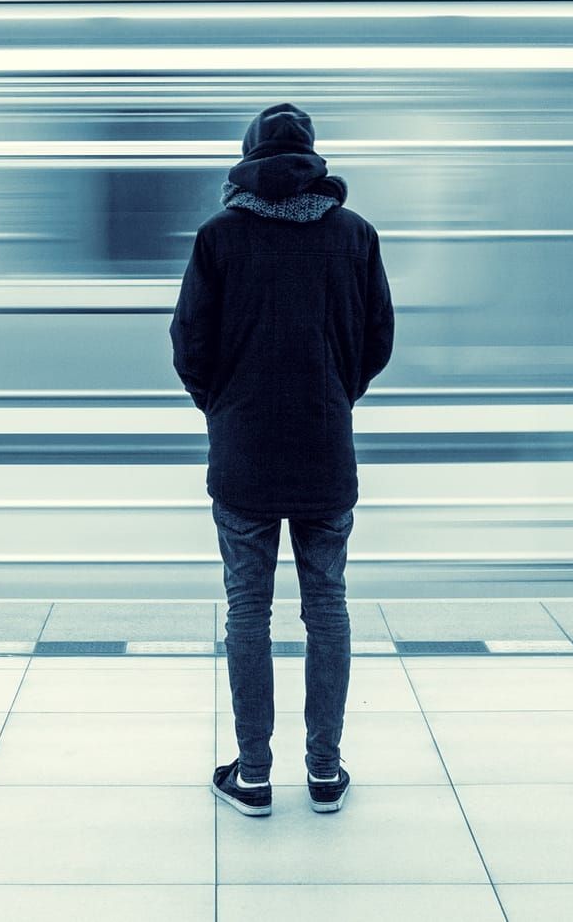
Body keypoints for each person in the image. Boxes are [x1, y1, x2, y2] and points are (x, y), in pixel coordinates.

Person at [170, 103, 393, 817]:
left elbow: (188, 343)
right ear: (313, 159)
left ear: (247, 158)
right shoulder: (355, 235)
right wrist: (335, 391)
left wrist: (224, 405)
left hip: (243, 457)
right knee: (327, 605)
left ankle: (256, 774)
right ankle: (325, 771)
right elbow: (378, 339)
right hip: (326, 447)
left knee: (249, 609)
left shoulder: (218, 237)